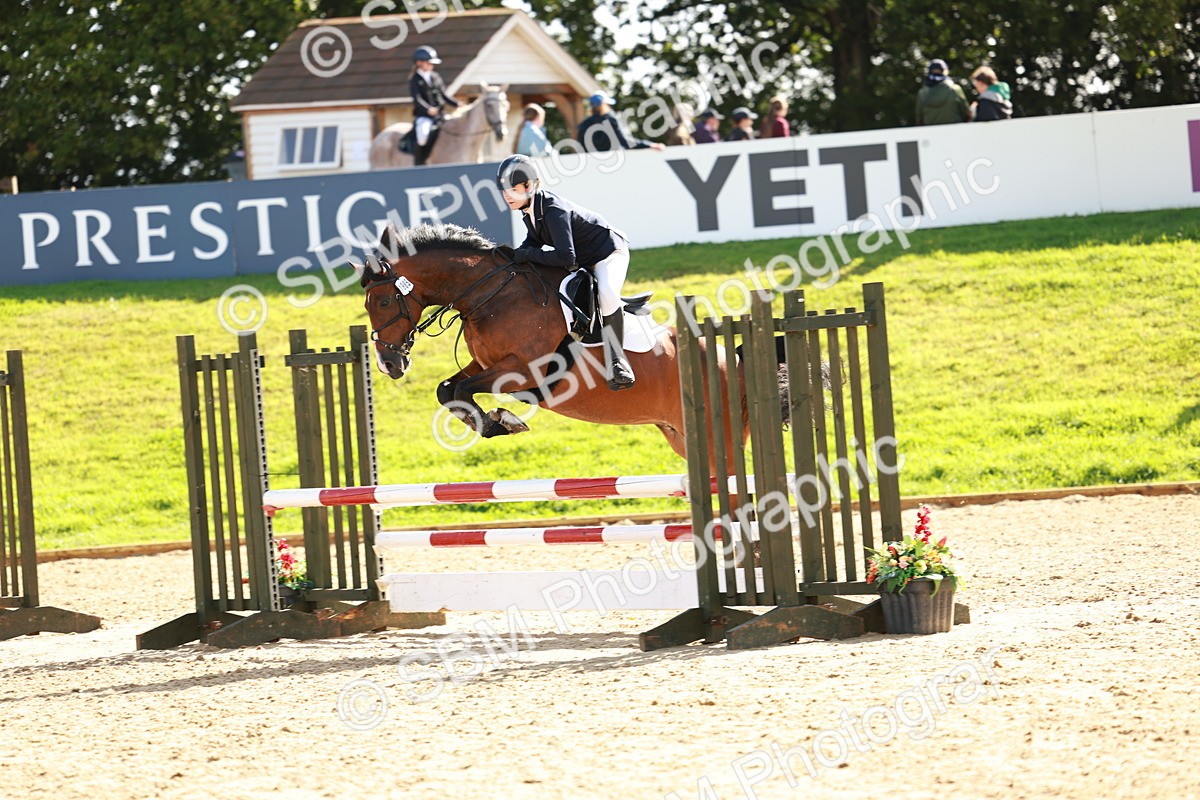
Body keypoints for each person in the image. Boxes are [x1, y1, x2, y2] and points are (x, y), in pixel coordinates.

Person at [496, 154, 636, 391]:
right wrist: (510, 259)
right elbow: (533, 241)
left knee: (608, 293)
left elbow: (565, 257)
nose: (506, 195)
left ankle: (618, 361)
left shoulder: (553, 210)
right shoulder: (531, 209)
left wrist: (527, 255)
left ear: (529, 186)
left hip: (608, 253)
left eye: (512, 188)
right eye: (503, 189)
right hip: (584, 259)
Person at [409, 45, 460, 165]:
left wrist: (456, 103)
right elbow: (417, 99)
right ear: (419, 63)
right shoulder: (415, 79)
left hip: (440, 115)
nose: (432, 65)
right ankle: (421, 162)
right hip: (424, 117)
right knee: (422, 137)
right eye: (428, 62)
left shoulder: (435, 76)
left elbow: (444, 95)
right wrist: (428, 109)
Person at [576, 92, 665, 153]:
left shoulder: (584, 125)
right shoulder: (611, 120)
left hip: (593, 166)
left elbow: (581, 148)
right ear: (605, 105)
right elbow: (626, 142)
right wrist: (650, 145)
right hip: (615, 162)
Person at [915, 59, 969, 125]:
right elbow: (966, 113)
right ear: (945, 71)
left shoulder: (922, 93)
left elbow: (919, 118)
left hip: (930, 132)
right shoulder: (954, 89)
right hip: (954, 131)